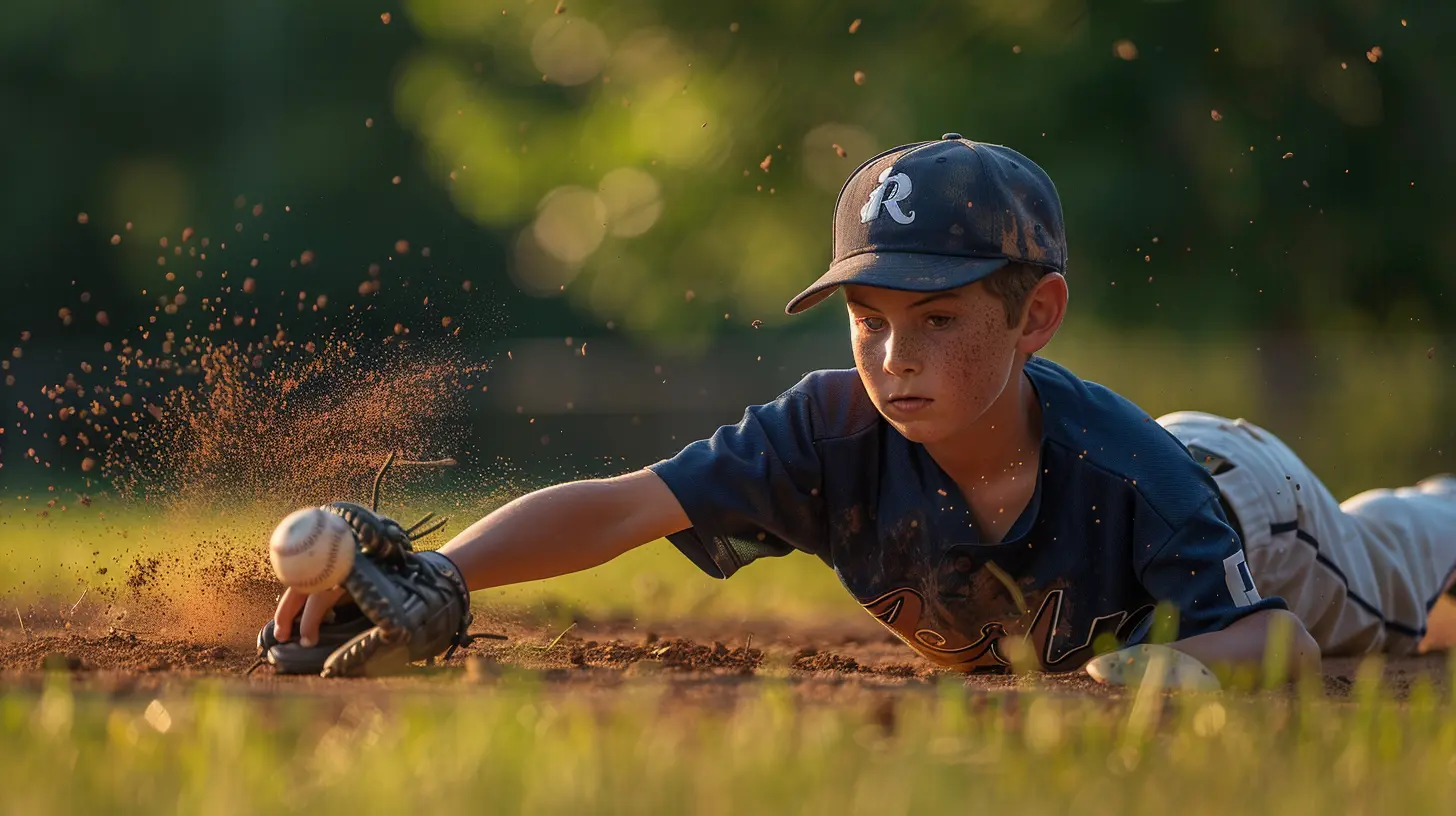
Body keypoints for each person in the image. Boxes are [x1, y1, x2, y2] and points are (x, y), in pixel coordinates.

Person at [271, 134, 1456, 678]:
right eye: (869, 317)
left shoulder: (1129, 476)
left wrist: (1167, 671)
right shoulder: (829, 432)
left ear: (1032, 320)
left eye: (939, 319)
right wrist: (456, 577)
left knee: (1399, 576)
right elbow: (620, 507)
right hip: (1166, 486)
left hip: (1249, 506)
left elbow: (1283, 641)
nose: (895, 354)